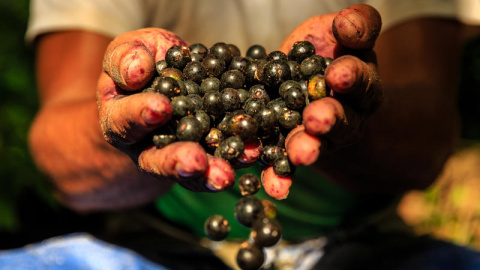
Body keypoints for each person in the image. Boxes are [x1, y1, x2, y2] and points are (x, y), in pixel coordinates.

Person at [22, 0, 480, 269]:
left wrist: (346, 115)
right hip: (157, 244)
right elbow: (59, 152)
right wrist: (129, 127)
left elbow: (426, 139)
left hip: (364, 246)